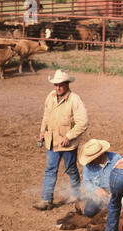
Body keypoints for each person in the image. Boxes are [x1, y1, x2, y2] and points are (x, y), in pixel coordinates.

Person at [34, 69, 88, 210]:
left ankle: (76, 195)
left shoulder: (74, 99)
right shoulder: (51, 97)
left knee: (71, 169)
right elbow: (46, 115)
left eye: (61, 85)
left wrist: (69, 136)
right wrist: (42, 131)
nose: (58, 88)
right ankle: (46, 200)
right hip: (51, 140)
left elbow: (83, 122)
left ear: (67, 84)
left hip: (67, 144)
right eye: (56, 85)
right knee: (50, 169)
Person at [78, 139, 123, 227]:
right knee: (89, 211)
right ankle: (104, 209)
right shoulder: (88, 166)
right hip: (100, 195)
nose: (91, 160)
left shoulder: (116, 159)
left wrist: (117, 191)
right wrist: (96, 189)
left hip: (118, 192)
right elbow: (86, 183)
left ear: (101, 154)